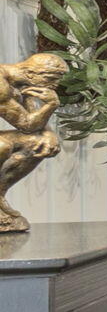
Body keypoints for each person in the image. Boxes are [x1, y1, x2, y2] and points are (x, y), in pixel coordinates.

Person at [0, 52, 66, 232]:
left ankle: (0, 196)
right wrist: (51, 105)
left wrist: (49, 134)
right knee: (2, 147)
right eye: (53, 79)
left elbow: (35, 125)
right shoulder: (1, 84)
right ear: (32, 74)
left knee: (41, 142)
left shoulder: (22, 84)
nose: (55, 85)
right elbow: (27, 124)